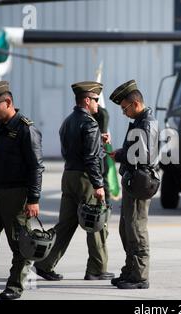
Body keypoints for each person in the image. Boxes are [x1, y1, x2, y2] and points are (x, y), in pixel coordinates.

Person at [34, 81, 114, 282]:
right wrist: (98, 185)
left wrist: (98, 140)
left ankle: (44, 264)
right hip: (86, 179)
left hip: (68, 175)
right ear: (87, 100)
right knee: (96, 223)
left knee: (66, 224)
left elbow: (70, 150)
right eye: (96, 100)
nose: (97, 104)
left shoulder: (68, 121)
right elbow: (90, 158)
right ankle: (96, 268)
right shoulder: (90, 123)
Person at [0, 81, 44, 300]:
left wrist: (33, 198)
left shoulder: (26, 129)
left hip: (18, 194)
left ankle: (14, 287)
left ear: (8, 102)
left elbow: (36, 166)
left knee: (20, 245)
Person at [108, 80, 159, 289]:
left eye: (124, 108)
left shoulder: (146, 124)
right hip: (133, 181)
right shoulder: (140, 121)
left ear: (135, 103)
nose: (123, 113)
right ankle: (129, 271)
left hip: (140, 182)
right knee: (126, 228)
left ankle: (139, 276)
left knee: (136, 229)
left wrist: (121, 154)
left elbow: (142, 156)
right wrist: (120, 152)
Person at [92, 105, 111, 200]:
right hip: (101, 150)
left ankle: (105, 204)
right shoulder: (103, 112)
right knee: (104, 177)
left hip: (98, 150)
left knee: (103, 177)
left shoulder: (101, 114)